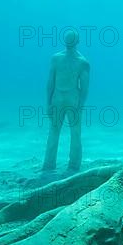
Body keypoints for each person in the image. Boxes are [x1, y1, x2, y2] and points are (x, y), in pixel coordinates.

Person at [42, 30, 90, 171]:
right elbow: (50, 82)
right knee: (54, 131)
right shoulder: (56, 58)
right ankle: (49, 165)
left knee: (75, 133)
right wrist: (48, 103)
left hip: (72, 100)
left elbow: (85, 87)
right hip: (58, 99)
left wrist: (80, 105)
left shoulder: (83, 62)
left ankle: (74, 165)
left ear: (76, 41)